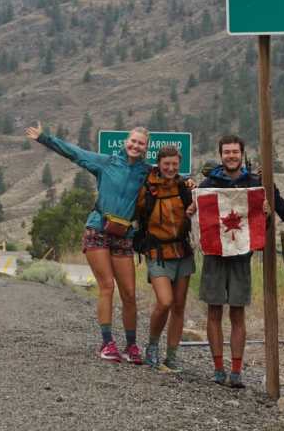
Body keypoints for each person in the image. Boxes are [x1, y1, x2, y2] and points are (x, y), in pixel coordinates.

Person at [26, 121, 151, 364]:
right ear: (126, 142)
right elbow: (74, 153)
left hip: (124, 235)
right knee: (107, 286)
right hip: (98, 230)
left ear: (146, 148)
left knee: (129, 293)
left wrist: (188, 182)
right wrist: (45, 138)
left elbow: (170, 178)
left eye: (141, 144)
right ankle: (107, 344)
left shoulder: (146, 172)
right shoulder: (106, 163)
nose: (136, 146)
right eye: (133, 141)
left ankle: (132, 346)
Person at [192, 135, 263, 388]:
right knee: (214, 310)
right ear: (221, 155)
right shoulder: (208, 184)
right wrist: (192, 210)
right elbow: (196, 216)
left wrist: (266, 210)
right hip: (215, 254)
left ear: (242, 154)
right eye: (227, 152)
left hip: (242, 256)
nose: (231, 156)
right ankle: (218, 368)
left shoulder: (254, 183)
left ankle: (236, 371)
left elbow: (262, 217)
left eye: (235, 152)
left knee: (237, 311)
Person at [135, 145, 195, 373]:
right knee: (165, 302)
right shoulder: (147, 188)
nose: (170, 168)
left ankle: (172, 356)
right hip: (156, 252)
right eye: (166, 164)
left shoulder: (184, 187)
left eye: (174, 164)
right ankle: (152, 346)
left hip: (182, 251)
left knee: (179, 306)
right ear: (159, 164)